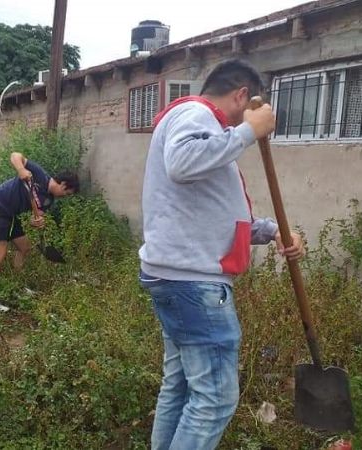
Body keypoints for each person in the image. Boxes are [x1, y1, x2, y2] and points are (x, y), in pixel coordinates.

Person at [138, 59, 305, 449]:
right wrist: (249, 131)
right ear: (242, 96)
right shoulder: (196, 114)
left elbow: (218, 212)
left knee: (180, 387)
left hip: (178, 277)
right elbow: (181, 164)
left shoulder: (208, 133)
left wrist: (273, 231)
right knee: (215, 399)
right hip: (193, 283)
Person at [0, 152, 79, 312]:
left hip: (11, 214)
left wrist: (36, 222)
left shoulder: (49, 200)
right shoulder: (39, 174)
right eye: (66, 193)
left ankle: (18, 287)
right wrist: (21, 170)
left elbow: (35, 218)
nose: (65, 197)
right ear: (63, 185)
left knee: (25, 247)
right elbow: (15, 155)